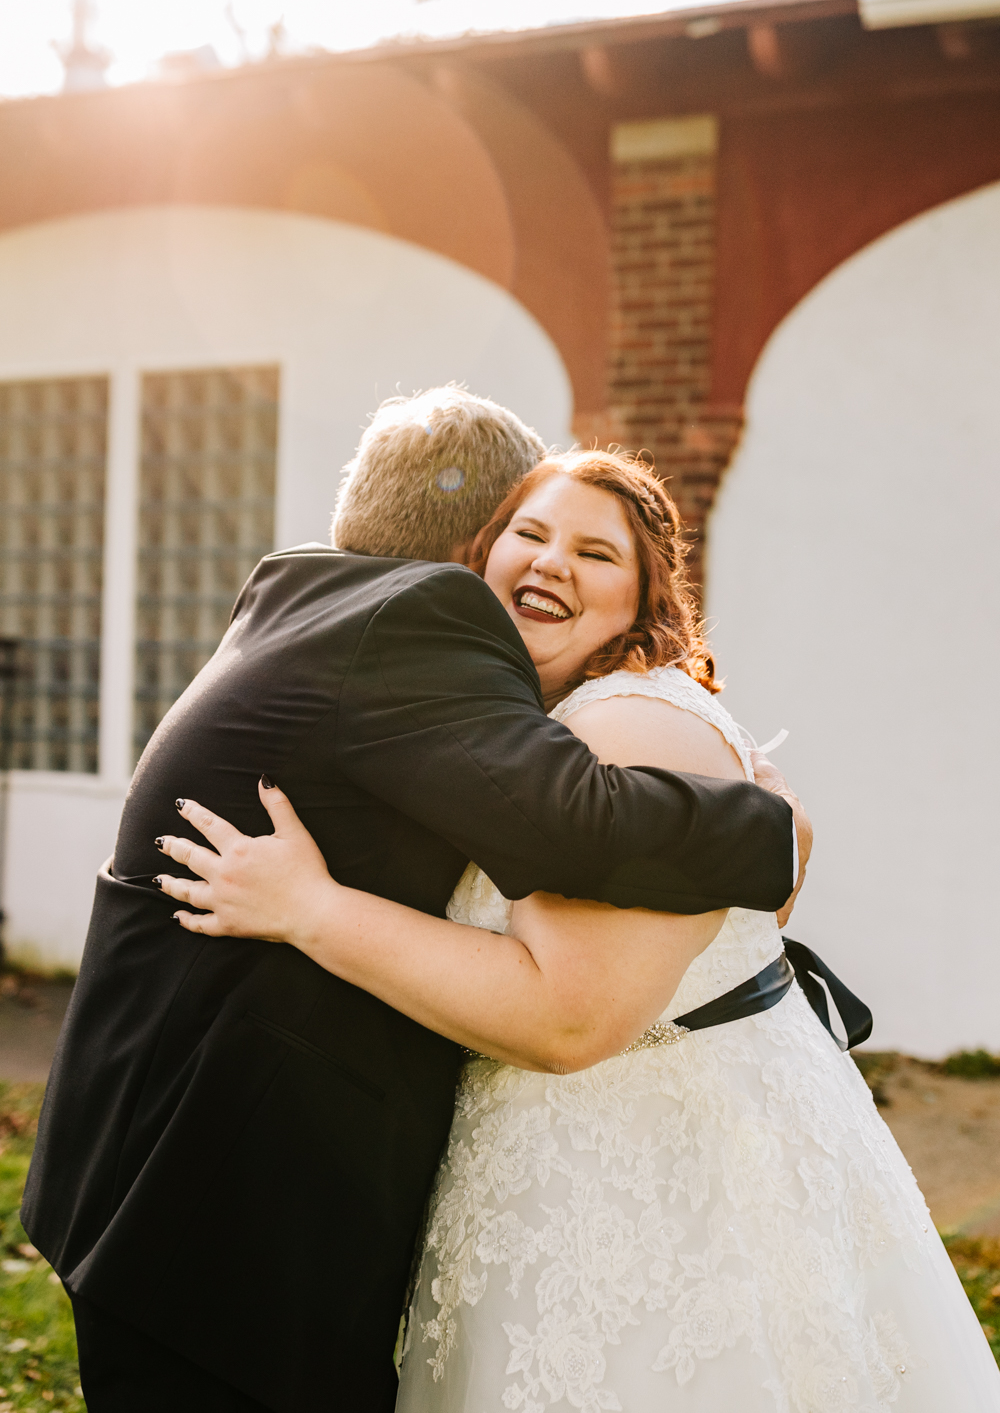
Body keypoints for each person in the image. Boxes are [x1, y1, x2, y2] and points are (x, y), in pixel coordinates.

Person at [160, 450, 1000, 1413]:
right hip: (550, 1188)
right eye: (530, 533)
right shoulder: (522, 732)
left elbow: (568, 1016)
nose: (552, 562)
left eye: (595, 552)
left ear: (643, 603)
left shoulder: (626, 723)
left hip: (661, 1205)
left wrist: (312, 910)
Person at [22, 392, 803, 1413]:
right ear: (476, 540)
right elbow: (567, 822)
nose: (543, 563)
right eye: (524, 530)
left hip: (162, 1169)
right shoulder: (417, 619)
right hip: (225, 1215)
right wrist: (773, 829)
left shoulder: (306, 598)